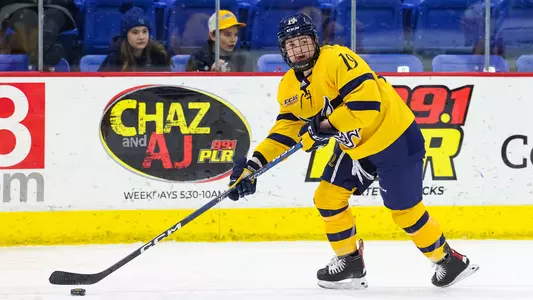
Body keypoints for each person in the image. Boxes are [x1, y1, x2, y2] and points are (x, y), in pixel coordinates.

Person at [227, 13, 479, 290]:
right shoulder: (288, 87)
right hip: (356, 147)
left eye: (303, 41)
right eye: (291, 44)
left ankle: (449, 261)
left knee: (404, 211)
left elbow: (366, 106)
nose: (298, 49)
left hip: (395, 138)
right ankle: (350, 262)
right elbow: (285, 130)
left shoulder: (338, 60)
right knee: (327, 197)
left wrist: (323, 126)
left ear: (315, 41)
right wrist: (253, 167)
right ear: (283, 50)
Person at [0, 0, 77, 70]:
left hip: (55, 5)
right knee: (27, 19)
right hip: (18, 4)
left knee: (49, 27)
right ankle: (42, 61)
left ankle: (42, 62)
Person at [98, 6, 171, 72]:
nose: (141, 37)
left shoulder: (159, 55)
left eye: (145, 31)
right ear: (126, 35)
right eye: (135, 32)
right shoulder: (115, 57)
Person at [186, 10, 251, 72]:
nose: (233, 39)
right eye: (228, 35)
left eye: (236, 34)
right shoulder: (198, 58)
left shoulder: (243, 58)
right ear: (212, 35)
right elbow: (189, 82)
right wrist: (211, 74)